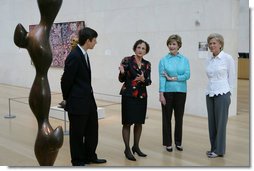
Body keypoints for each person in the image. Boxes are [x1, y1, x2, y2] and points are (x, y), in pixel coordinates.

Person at [61, 27, 107, 166]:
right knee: (77, 134)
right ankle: (78, 160)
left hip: (88, 101)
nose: (96, 42)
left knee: (92, 130)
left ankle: (90, 156)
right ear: (88, 41)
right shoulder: (74, 56)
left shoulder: (84, 54)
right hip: (77, 102)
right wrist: (68, 99)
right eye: (95, 40)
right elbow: (66, 80)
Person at [118, 39, 152, 161]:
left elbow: (149, 82)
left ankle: (136, 147)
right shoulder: (127, 60)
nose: (140, 50)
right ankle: (127, 148)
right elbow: (121, 79)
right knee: (127, 122)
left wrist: (144, 79)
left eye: (143, 48)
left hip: (141, 96)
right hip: (128, 95)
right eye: (139, 47)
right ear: (135, 48)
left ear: (146, 51)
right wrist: (122, 72)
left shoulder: (147, 64)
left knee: (139, 122)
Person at [205, 33, 235, 158]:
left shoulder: (227, 58)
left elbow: (231, 77)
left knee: (221, 123)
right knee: (212, 123)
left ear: (220, 44)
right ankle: (214, 148)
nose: (212, 46)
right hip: (209, 92)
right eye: (210, 43)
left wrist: (229, 94)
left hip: (223, 93)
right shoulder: (209, 59)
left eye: (214, 43)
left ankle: (219, 150)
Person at [158, 34, 190, 152]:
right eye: (170, 44)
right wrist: (161, 94)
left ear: (179, 45)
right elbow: (162, 78)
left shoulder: (184, 60)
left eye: (174, 44)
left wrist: (173, 78)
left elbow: (187, 75)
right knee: (166, 118)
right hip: (167, 92)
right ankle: (168, 143)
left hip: (181, 92)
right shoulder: (163, 60)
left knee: (179, 118)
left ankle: (178, 142)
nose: (171, 46)